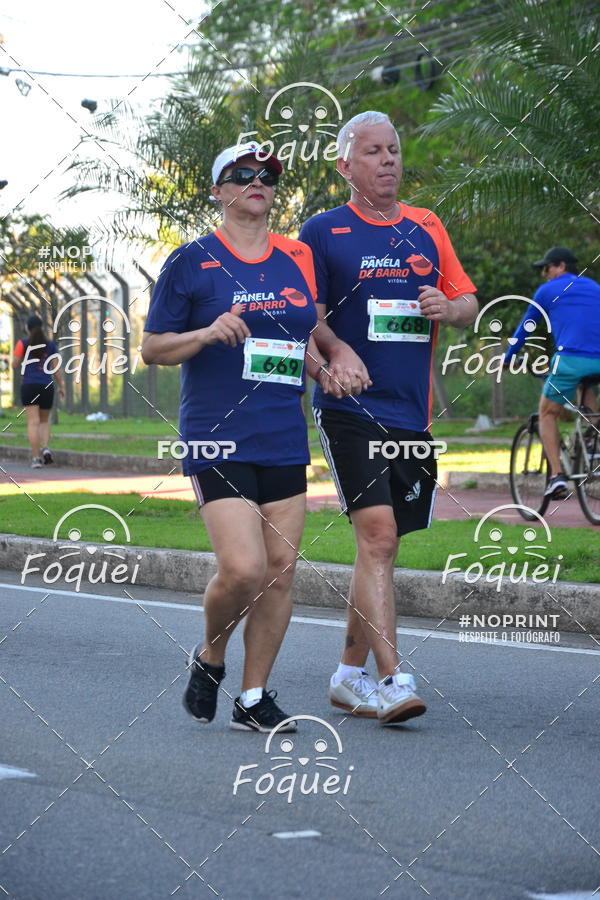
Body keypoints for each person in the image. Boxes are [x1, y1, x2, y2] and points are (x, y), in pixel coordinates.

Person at [142, 141, 343, 733]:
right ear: (219, 190)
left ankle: (253, 698)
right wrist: (205, 333)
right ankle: (210, 656)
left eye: (268, 175)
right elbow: (153, 348)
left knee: (281, 569)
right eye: (243, 174)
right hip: (217, 437)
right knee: (244, 569)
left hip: (283, 432)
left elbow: (300, 334)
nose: (259, 181)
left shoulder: (298, 257)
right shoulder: (191, 261)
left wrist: (321, 364)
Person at [299, 110, 478, 725]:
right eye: (373, 152)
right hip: (350, 408)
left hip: (411, 414)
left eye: (394, 150)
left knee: (383, 546)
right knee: (376, 537)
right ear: (345, 165)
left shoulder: (427, 226)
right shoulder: (322, 231)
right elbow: (305, 316)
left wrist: (446, 307)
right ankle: (392, 680)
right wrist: (336, 352)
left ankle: (347, 676)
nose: (388, 161)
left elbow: (468, 303)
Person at [504, 246, 600, 499]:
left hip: (571, 359)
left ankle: (557, 476)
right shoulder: (594, 287)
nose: (544, 274)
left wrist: (508, 357)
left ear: (560, 266)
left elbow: (527, 324)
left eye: (546, 268)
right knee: (586, 385)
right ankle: (591, 443)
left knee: (547, 412)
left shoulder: (548, 290)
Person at [12, 314, 65, 468]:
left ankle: (36, 459)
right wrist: (62, 386)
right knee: (43, 421)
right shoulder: (50, 345)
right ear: (41, 327)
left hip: (29, 385)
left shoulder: (22, 343)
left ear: (28, 328)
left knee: (32, 422)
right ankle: (46, 448)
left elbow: (15, 364)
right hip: (46, 386)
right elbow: (56, 369)